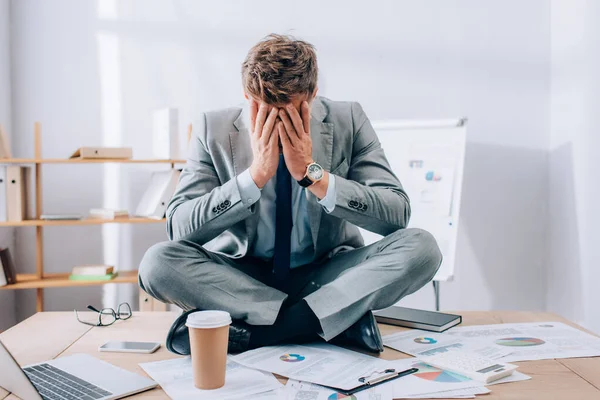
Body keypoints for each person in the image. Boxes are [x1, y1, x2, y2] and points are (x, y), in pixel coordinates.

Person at [138, 34, 442, 355]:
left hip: (325, 273)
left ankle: (257, 334)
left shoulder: (348, 118)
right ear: (246, 95)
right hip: (242, 278)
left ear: (313, 94)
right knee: (156, 263)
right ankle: (332, 320)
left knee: (422, 248)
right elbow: (179, 228)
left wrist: (313, 175)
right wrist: (254, 177)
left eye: (293, 111)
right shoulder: (212, 127)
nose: (280, 122)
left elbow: (396, 214)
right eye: (268, 111)